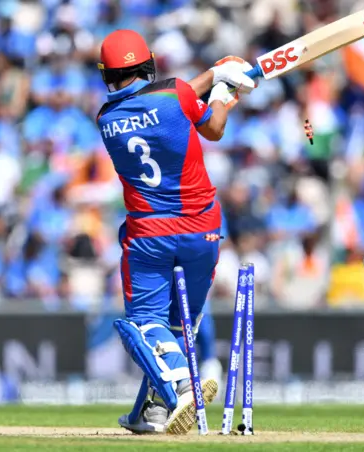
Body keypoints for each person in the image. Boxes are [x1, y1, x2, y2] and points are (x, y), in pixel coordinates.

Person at [96, 30, 255, 434]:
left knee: (144, 323)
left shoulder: (106, 119)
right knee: (179, 327)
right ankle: (150, 411)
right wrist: (220, 91)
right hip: (203, 231)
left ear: (107, 74)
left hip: (149, 234)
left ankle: (183, 387)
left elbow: (168, 95)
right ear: (148, 62)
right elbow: (214, 127)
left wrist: (217, 73)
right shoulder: (176, 98)